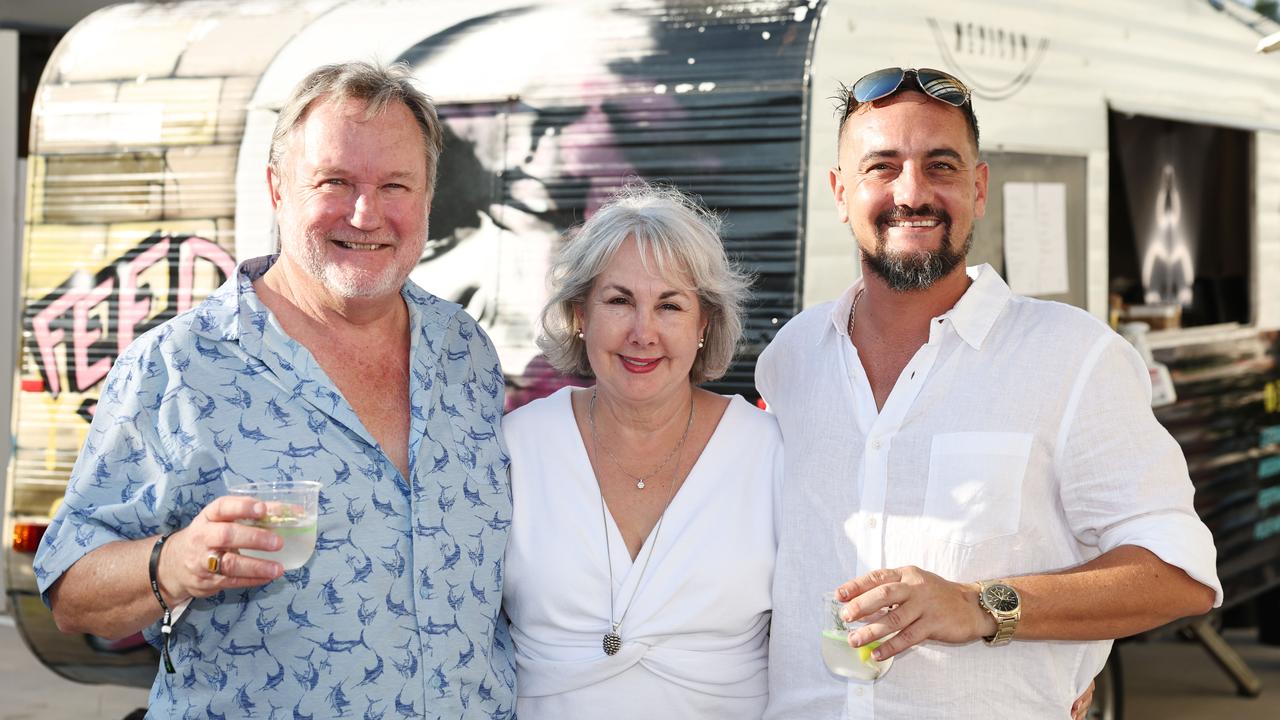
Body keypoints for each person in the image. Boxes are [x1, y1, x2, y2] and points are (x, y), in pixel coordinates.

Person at [33, 62, 515, 718]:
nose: (366, 212)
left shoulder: (468, 354)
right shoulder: (177, 367)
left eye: (395, 184)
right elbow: (70, 588)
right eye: (334, 181)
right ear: (277, 188)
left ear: (427, 195)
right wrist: (175, 564)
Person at [757, 67, 1222, 718]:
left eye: (940, 166)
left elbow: (1180, 577)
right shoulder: (791, 359)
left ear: (978, 189)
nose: (911, 192)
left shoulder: (1073, 357)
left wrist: (984, 604)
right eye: (882, 167)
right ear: (841, 192)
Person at [501, 184, 782, 718]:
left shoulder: (767, 452)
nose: (642, 332)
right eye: (619, 301)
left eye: (670, 305)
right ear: (580, 314)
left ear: (704, 323)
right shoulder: (517, 446)